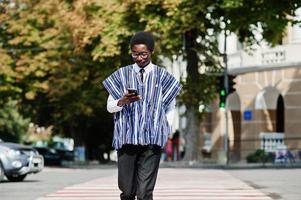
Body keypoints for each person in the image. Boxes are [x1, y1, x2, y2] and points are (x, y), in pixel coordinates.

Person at [103, 31, 181, 200]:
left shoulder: (163, 77)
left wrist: (165, 128)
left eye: (143, 54)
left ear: (151, 52)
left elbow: (171, 107)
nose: (139, 58)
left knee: (145, 192)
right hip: (126, 139)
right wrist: (122, 101)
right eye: (135, 54)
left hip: (152, 140)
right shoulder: (121, 75)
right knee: (128, 192)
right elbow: (110, 107)